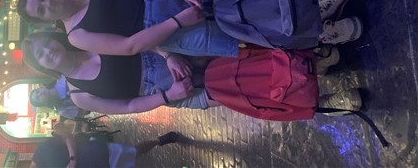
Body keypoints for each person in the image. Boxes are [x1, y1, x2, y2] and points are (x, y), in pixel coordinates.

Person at [16, 0, 364, 58]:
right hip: (169, 29)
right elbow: (129, 47)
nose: (48, 3)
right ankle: (320, 33)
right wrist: (177, 22)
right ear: (46, 21)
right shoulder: (77, 35)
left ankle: (317, 5)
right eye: (42, 10)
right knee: (246, 30)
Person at [22, 31, 362, 116]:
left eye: (44, 44)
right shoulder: (80, 96)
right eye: (40, 56)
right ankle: (328, 101)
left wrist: (168, 53)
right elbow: (128, 106)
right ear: (42, 67)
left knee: (247, 58)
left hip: (171, 54)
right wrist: (169, 95)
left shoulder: (85, 39)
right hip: (164, 90)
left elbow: (134, 38)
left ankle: (313, 66)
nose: (48, 52)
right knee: (247, 97)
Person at [31, 124, 186, 168]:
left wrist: (73, 159)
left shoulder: (41, 153)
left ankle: (159, 140)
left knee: (135, 151)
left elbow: (66, 137)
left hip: (97, 153)